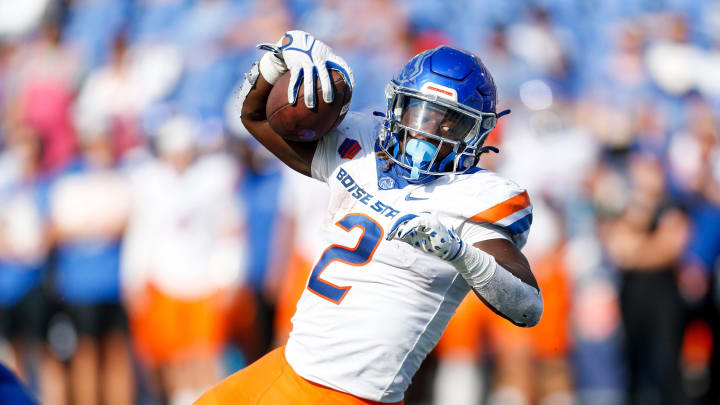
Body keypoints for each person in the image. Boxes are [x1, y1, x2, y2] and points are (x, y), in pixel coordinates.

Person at [196, 30, 543, 404]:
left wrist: (461, 253)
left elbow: (527, 307)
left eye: (450, 123)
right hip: (289, 364)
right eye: (420, 111)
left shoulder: (476, 197)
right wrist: (276, 61)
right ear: (396, 104)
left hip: (350, 394)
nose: (426, 131)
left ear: (477, 133)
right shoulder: (361, 145)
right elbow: (255, 117)